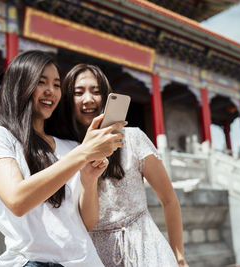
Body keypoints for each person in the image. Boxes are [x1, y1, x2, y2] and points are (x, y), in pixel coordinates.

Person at [0, 51, 126, 267]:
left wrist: (88, 180)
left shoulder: (71, 147)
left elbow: (86, 223)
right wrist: (82, 153)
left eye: (57, 85)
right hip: (31, 261)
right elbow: (17, 200)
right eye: (41, 82)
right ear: (20, 84)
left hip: (84, 261)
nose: (51, 91)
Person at [49, 64, 188, 267]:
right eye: (79, 93)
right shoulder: (65, 152)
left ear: (106, 97)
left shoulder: (134, 139)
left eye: (96, 92)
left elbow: (169, 200)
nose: (88, 99)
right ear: (68, 100)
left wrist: (179, 256)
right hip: (97, 256)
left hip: (147, 248)